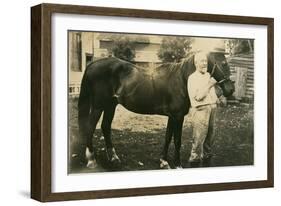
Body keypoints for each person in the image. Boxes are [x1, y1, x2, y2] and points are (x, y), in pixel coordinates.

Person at [187, 51, 218, 167]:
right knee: (199, 137)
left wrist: (216, 101)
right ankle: (194, 159)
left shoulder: (208, 76)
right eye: (202, 61)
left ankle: (207, 156)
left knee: (210, 135)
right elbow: (198, 97)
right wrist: (210, 84)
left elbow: (212, 94)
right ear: (196, 63)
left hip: (211, 108)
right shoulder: (192, 78)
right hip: (200, 109)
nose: (205, 63)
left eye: (206, 61)